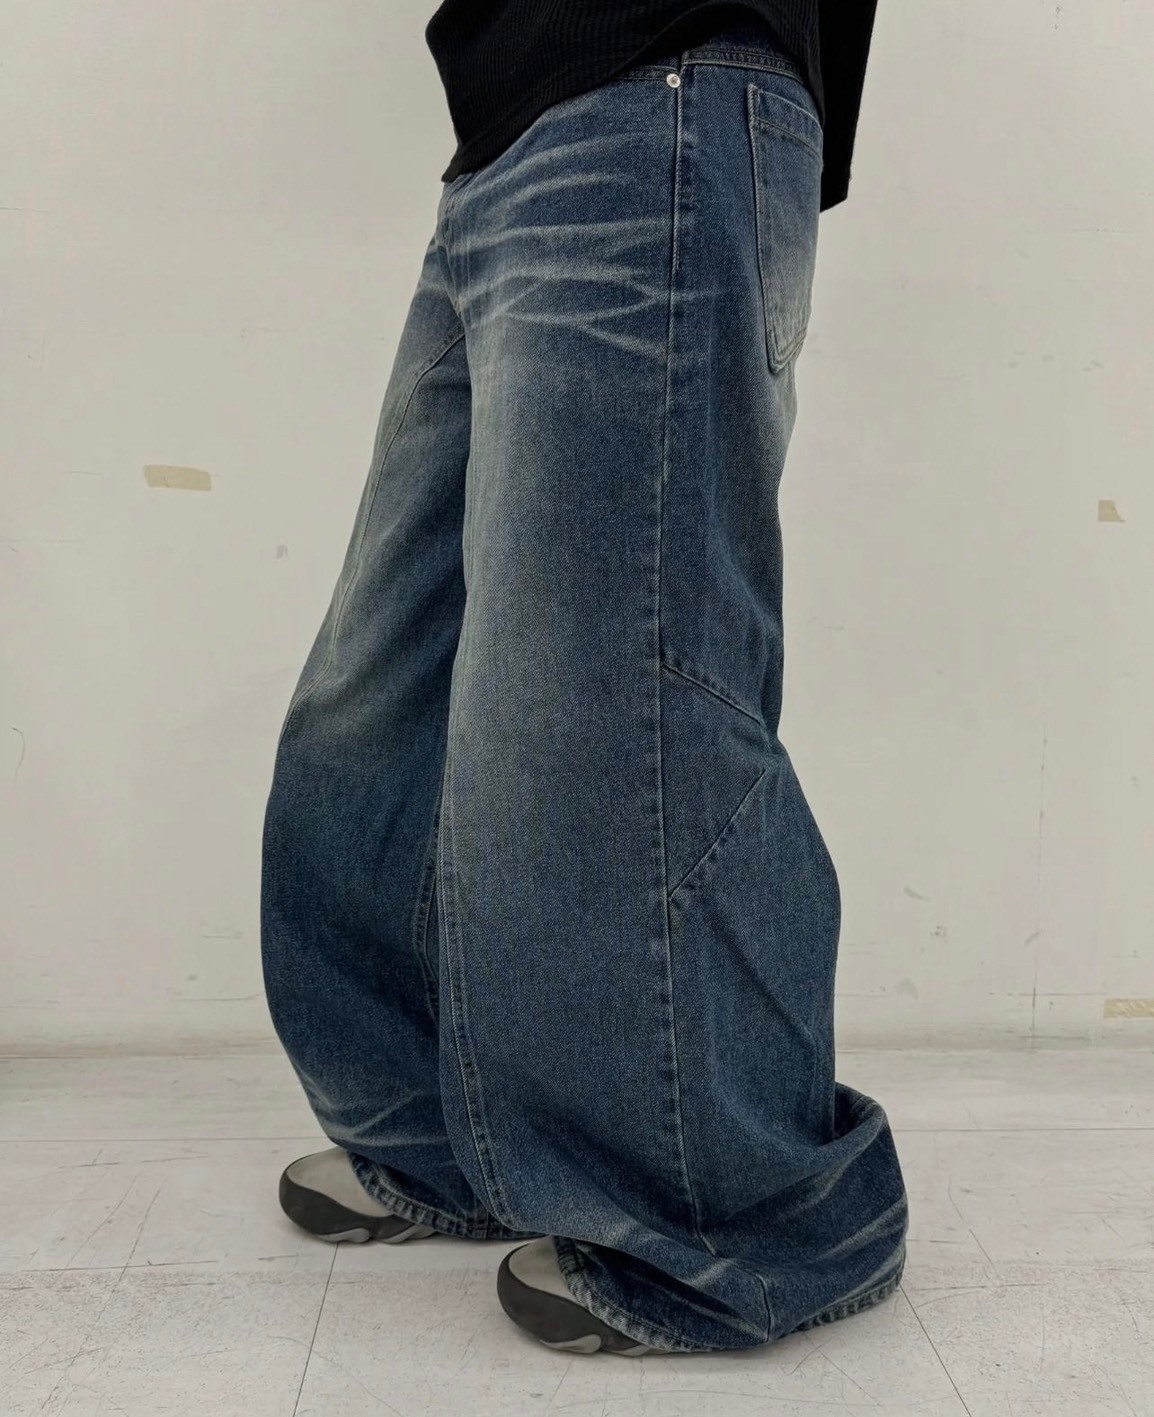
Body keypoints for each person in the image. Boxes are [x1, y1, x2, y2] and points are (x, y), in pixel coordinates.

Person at [260, 0, 909, 1356]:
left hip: (661, 82)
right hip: (508, 138)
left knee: (619, 691)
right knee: (388, 686)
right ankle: (443, 1137)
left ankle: (750, 1226)